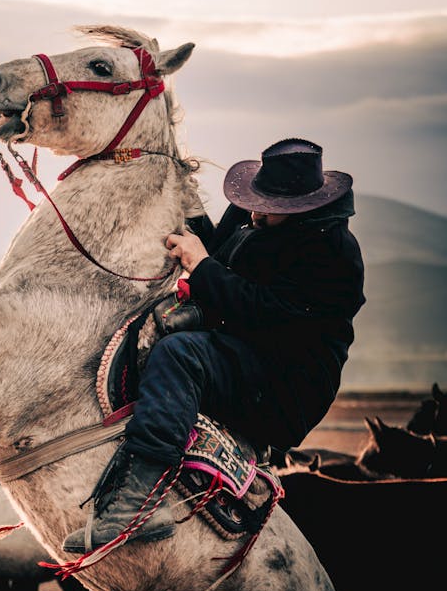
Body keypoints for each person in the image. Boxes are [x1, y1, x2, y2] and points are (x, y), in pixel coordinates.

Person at [62, 138, 365, 556]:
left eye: (267, 206)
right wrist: (180, 199)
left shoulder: (334, 253)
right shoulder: (258, 217)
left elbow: (269, 313)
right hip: (248, 350)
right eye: (256, 200)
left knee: (178, 354)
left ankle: (139, 506)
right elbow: (218, 248)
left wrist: (202, 265)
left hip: (286, 382)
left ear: (302, 209)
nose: (254, 211)